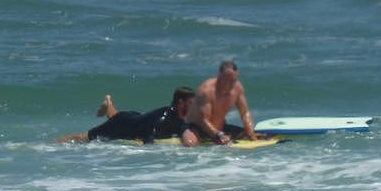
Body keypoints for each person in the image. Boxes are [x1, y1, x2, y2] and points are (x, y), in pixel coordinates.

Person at [58, 87, 196, 144]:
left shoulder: (180, 116)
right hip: (124, 124)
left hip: (132, 118)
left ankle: (108, 103)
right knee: (84, 137)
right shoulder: (164, 117)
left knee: (116, 116)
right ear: (181, 102)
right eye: (191, 102)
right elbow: (148, 135)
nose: (194, 105)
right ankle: (56, 142)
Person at [182, 60, 260, 146]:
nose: (230, 84)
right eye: (227, 80)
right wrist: (218, 135)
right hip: (197, 127)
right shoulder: (206, 91)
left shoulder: (237, 88)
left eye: (233, 80)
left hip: (220, 127)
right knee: (190, 143)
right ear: (219, 76)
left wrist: (250, 133)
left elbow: (244, 112)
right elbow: (203, 120)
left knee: (251, 134)